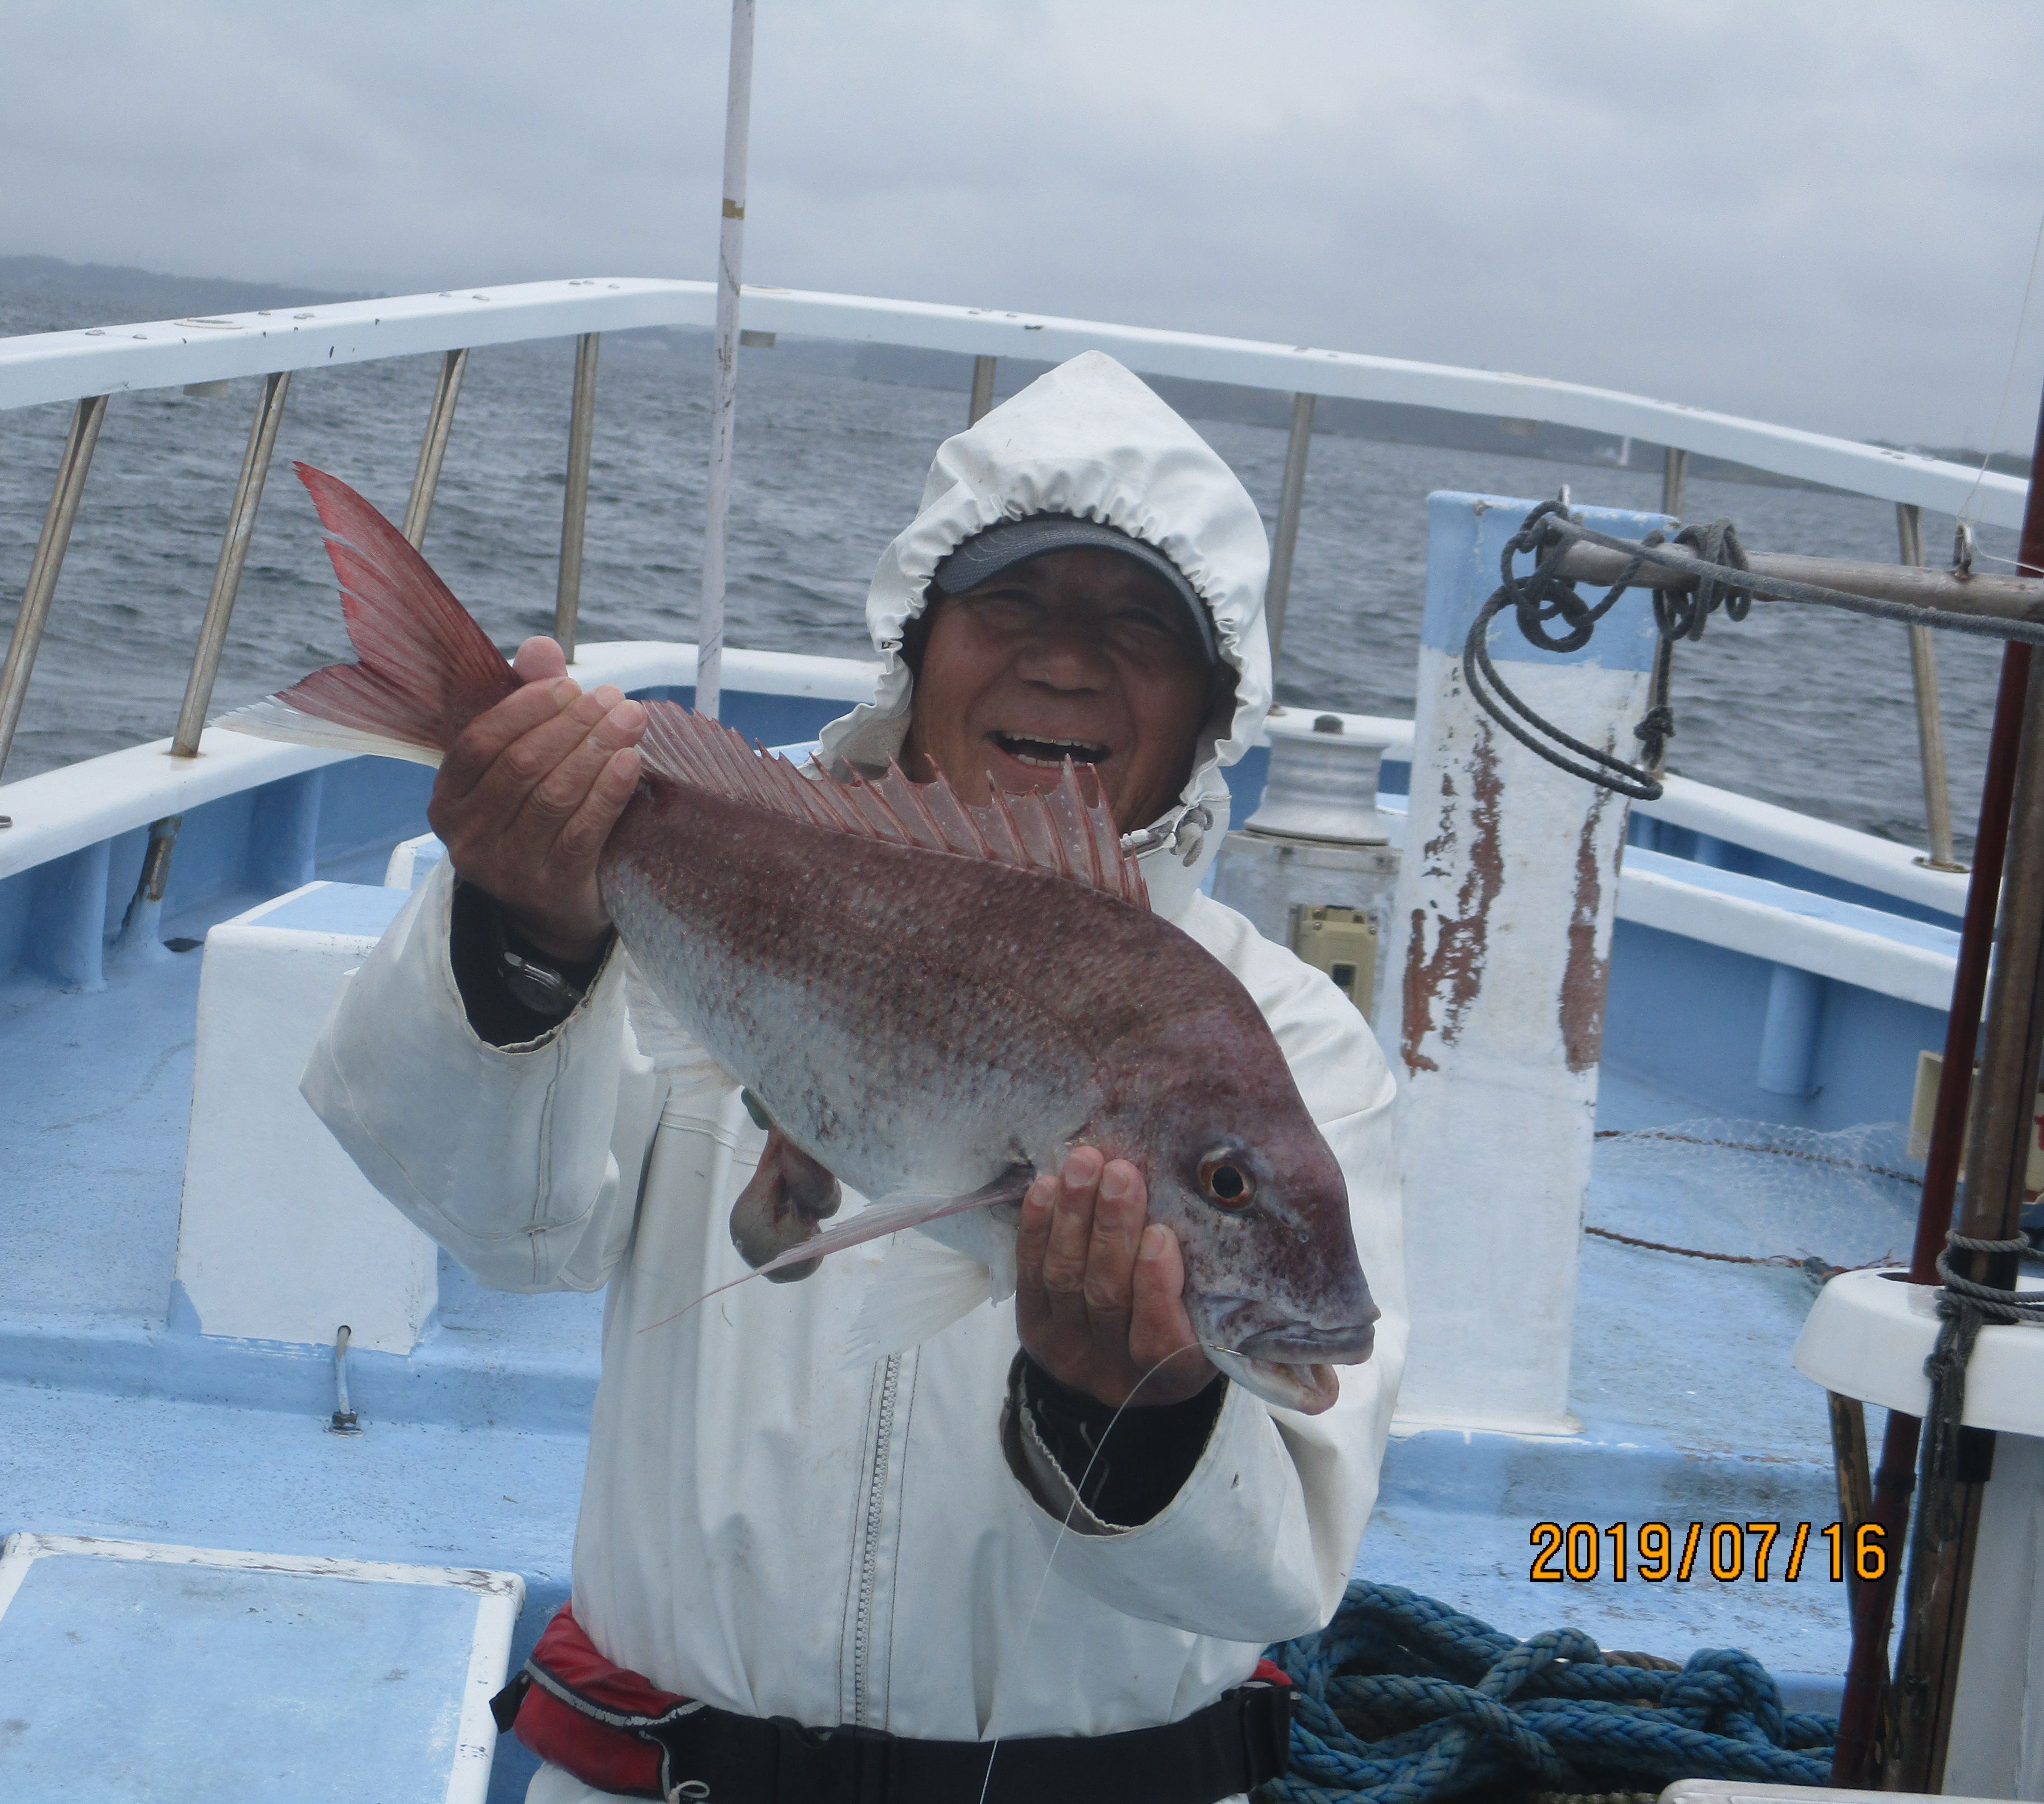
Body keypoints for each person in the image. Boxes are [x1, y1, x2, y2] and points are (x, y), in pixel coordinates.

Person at [304, 351, 1406, 1803]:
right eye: (1012, 603)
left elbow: (1280, 1568)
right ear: (917, 647)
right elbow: (512, 1235)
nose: (1066, 662)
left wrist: (1130, 1420)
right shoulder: (748, 871)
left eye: (1140, 626)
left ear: (1216, 707)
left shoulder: (1293, 1041)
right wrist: (529, 934)